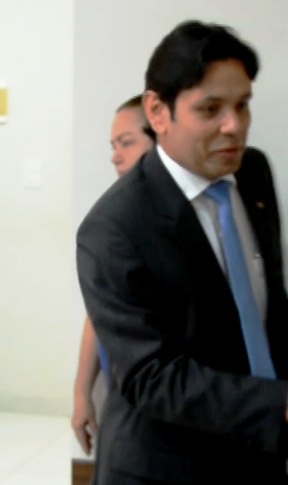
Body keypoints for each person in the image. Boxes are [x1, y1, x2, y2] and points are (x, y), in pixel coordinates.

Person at [76, 20, 288, 484]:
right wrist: (284, 405)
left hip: (257, 454)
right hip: (164, 469)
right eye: (210, 109)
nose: (234, 126)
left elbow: (270, 314)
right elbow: (152, 377)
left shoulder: (253, 174)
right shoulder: (115, 227)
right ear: (158, 111)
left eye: (242, 105)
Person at [71, 95, 155, 456]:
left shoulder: (179, 221)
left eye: (126, 143)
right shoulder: (114, 221)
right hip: (121, 398)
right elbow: (98, 311)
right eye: (113, 146)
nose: (115, 156)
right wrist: (81, 392)